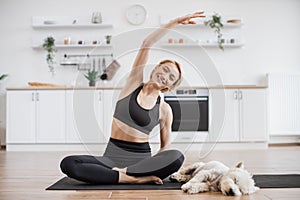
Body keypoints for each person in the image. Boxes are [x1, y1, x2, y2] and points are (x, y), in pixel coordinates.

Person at [60, 12, 205, 184]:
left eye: (171, 77)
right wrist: (174, 22)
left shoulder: (165, 109)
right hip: (111, 158)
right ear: (156, 68)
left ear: (169, 86)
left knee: (177, 156)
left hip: (141, 161)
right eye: (165, 70)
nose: (165, 76)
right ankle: (132, 179)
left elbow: (165, 147)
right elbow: (146, 44)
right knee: (68, 164)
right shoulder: (133, 85)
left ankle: (125, 175)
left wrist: (156, 164)